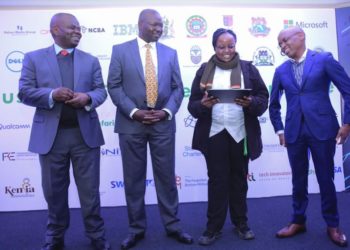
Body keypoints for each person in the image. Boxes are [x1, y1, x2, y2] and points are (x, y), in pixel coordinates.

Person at [18, 13, 110, 250]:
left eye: (80, 28)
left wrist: (87, 97)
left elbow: (101, 91)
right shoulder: (33, 58)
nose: (78, 31)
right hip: (51, 139)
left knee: (90, 193)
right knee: (54, 193)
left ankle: (96, 236)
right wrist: (51, 95)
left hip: (84, 137)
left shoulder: (90, 60)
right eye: (73, 28)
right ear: (55, 30)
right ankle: (55, 238)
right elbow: (24, 92)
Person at [107, 9, 193, 249]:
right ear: (140, 24)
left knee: (166, 178)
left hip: (163, 124)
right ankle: (136, 229)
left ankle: (173, 226)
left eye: (161, 25)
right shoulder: (120, 51)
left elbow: (178, 88)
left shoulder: (170, 53)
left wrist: (166, 111)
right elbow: (113, 86)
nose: (158, 29)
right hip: (131, 124)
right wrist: (134, 112)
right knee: (133, 180)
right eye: (154, 25)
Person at [269, 26, 350, 247]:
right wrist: (279, 129)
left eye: (285, 41)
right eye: (280, 45)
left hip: (323, 129)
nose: (283, 47)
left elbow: (347, 90)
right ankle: (298, 221)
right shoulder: (281, 70)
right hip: (294, 132)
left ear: (301, 36)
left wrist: (347, 123)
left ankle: (332, 225)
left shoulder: (324, 59)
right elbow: (273, 105)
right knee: (298, 180)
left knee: (326, 179)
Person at [188, 28, 269, 246]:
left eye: (230, 46)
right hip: (214, 133)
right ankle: (213, 228)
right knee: (217, 181)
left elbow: (263, 97)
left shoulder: (248, 68)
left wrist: (251, 103)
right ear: (214, 47)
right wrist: (202, 105)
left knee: (239, 180)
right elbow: (192, 105)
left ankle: (241, 224)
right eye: (221, 46)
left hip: (240, 133)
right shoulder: (204, 70)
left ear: (236, 45)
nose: (226, 51)